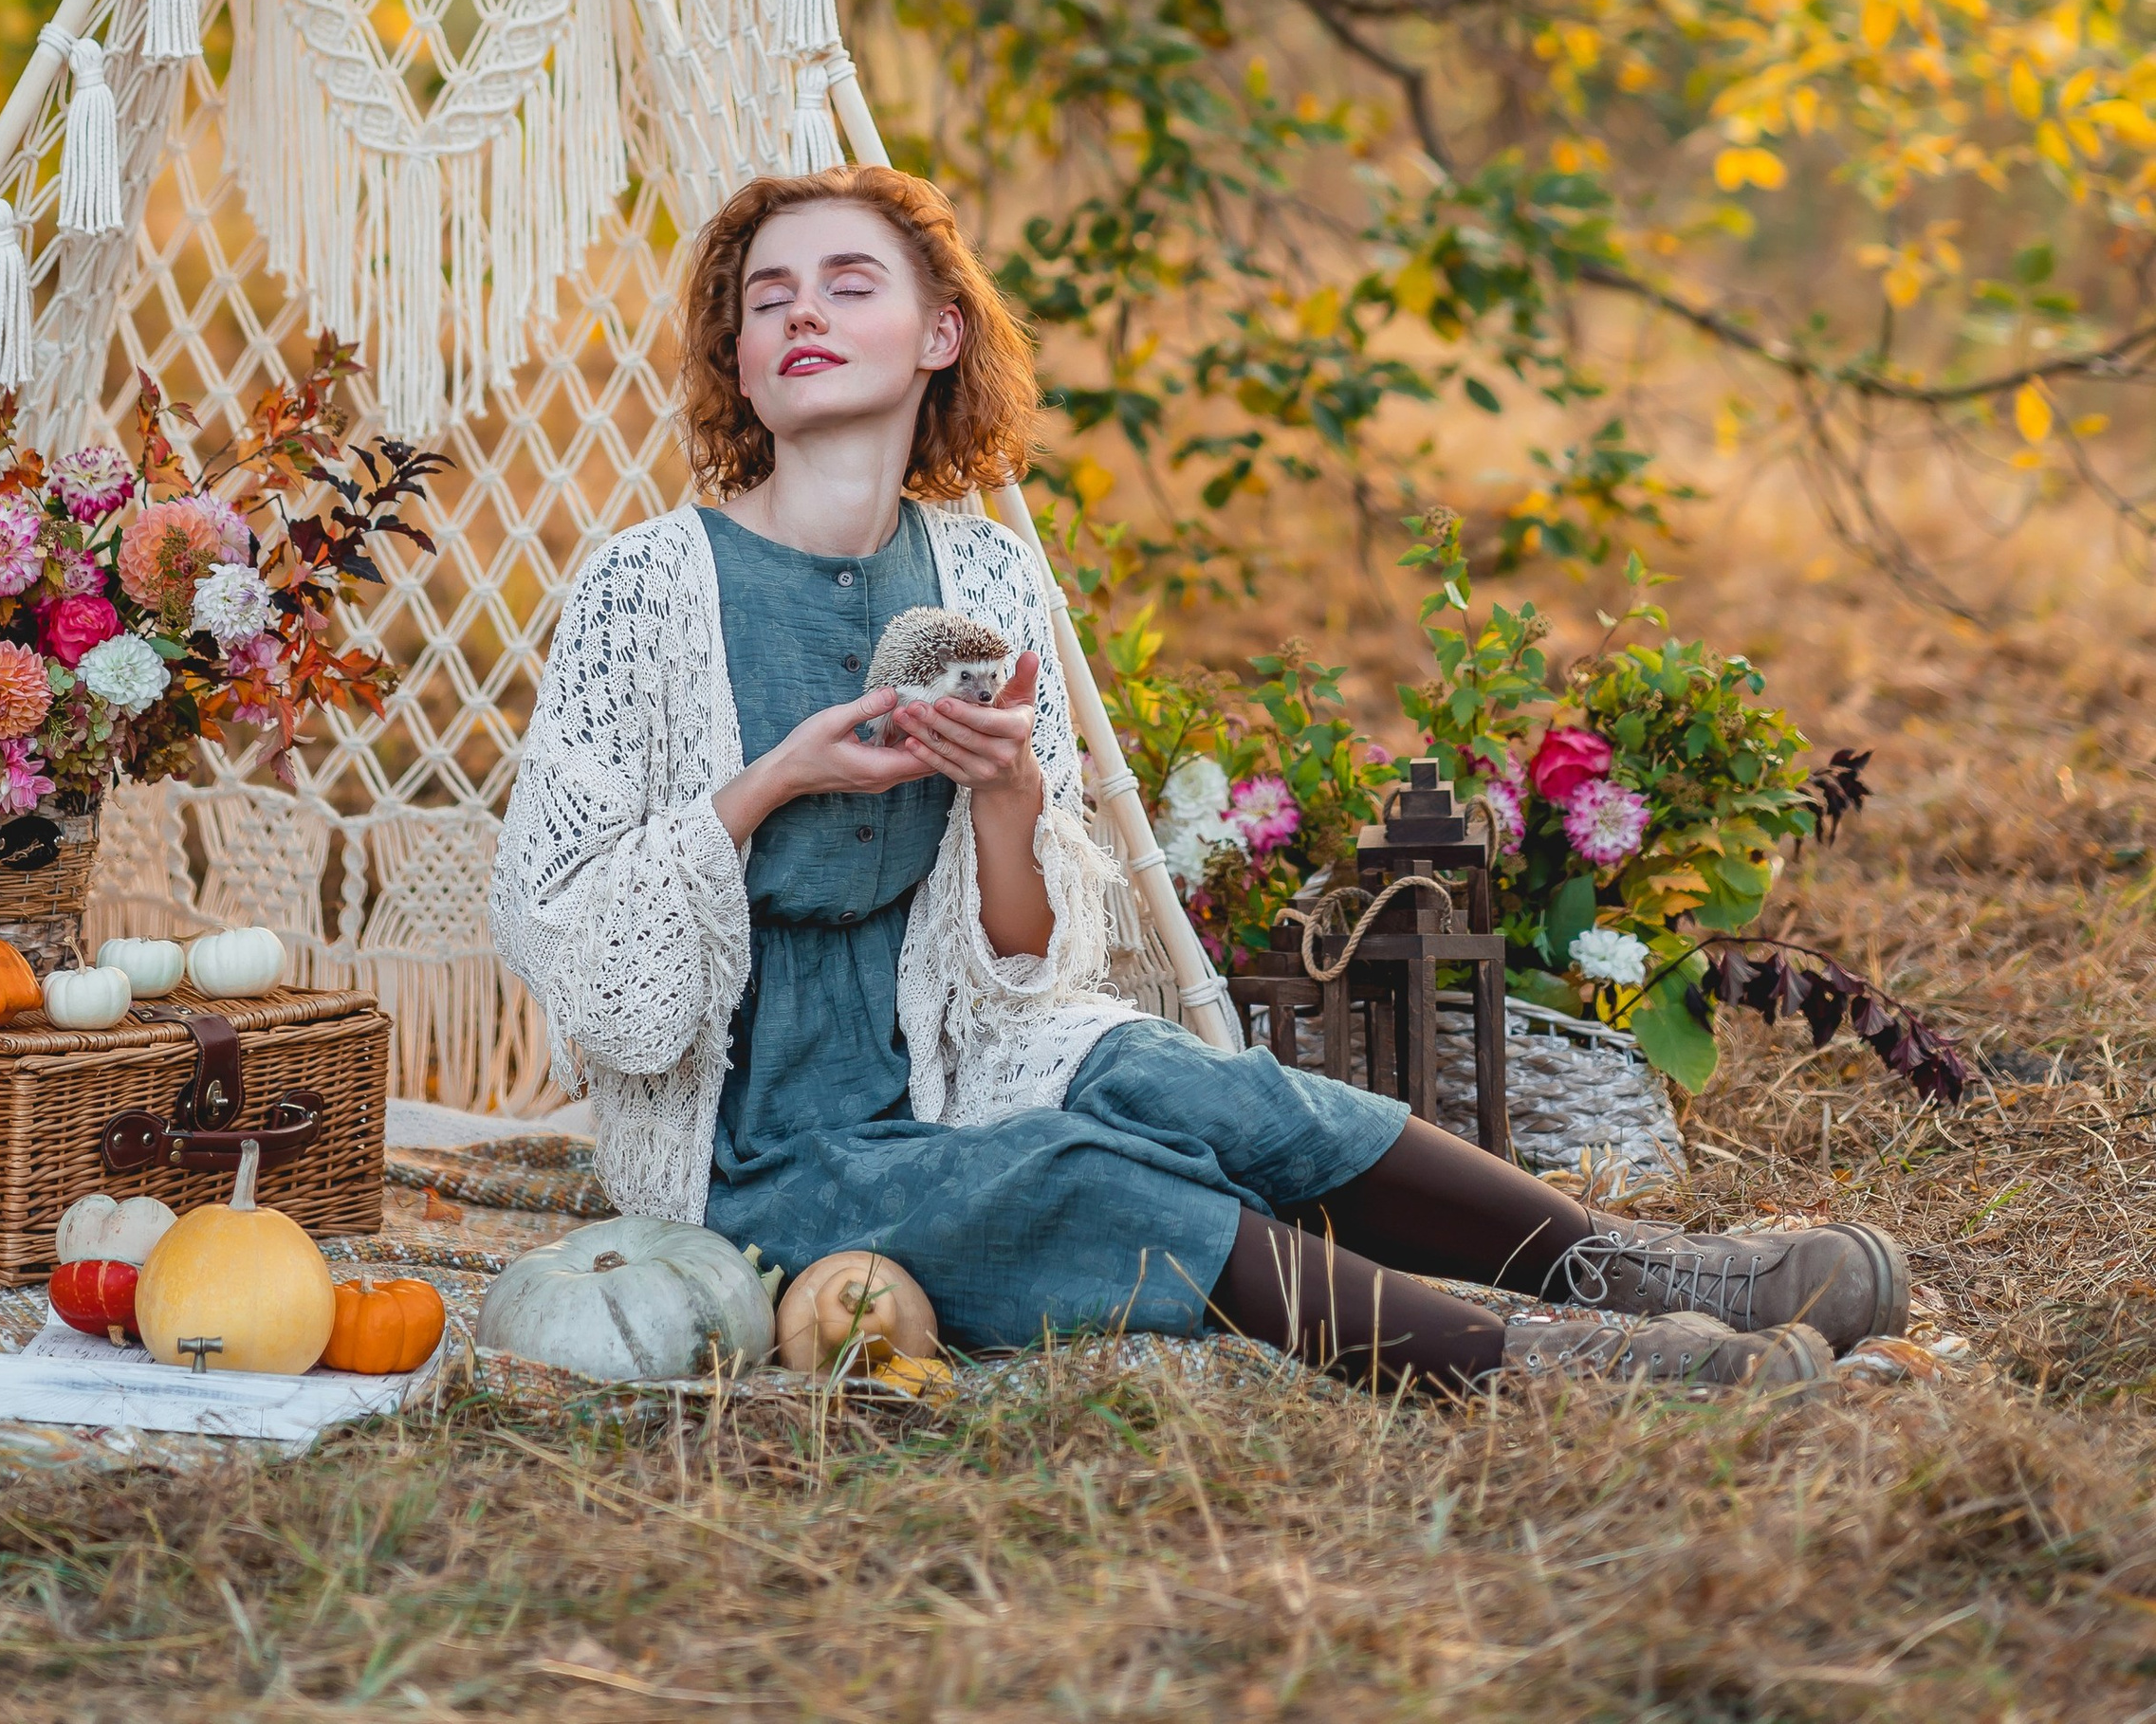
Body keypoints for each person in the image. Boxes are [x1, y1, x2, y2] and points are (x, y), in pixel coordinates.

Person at [491, 165, 1907, 1390]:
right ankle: (1549, 1372)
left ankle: (1646, 1277)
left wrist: (1008, 802)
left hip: (949, 1063)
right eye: (768, 298)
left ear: (940, 333)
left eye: (848, 283)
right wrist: (770, 786)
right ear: (739, 364)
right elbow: (586, 970)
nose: (800, 312)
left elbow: (1025, 976)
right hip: (757, 1146)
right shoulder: (645, 589)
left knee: (1214, 1090)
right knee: (1096, 1185)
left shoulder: (984, 573)